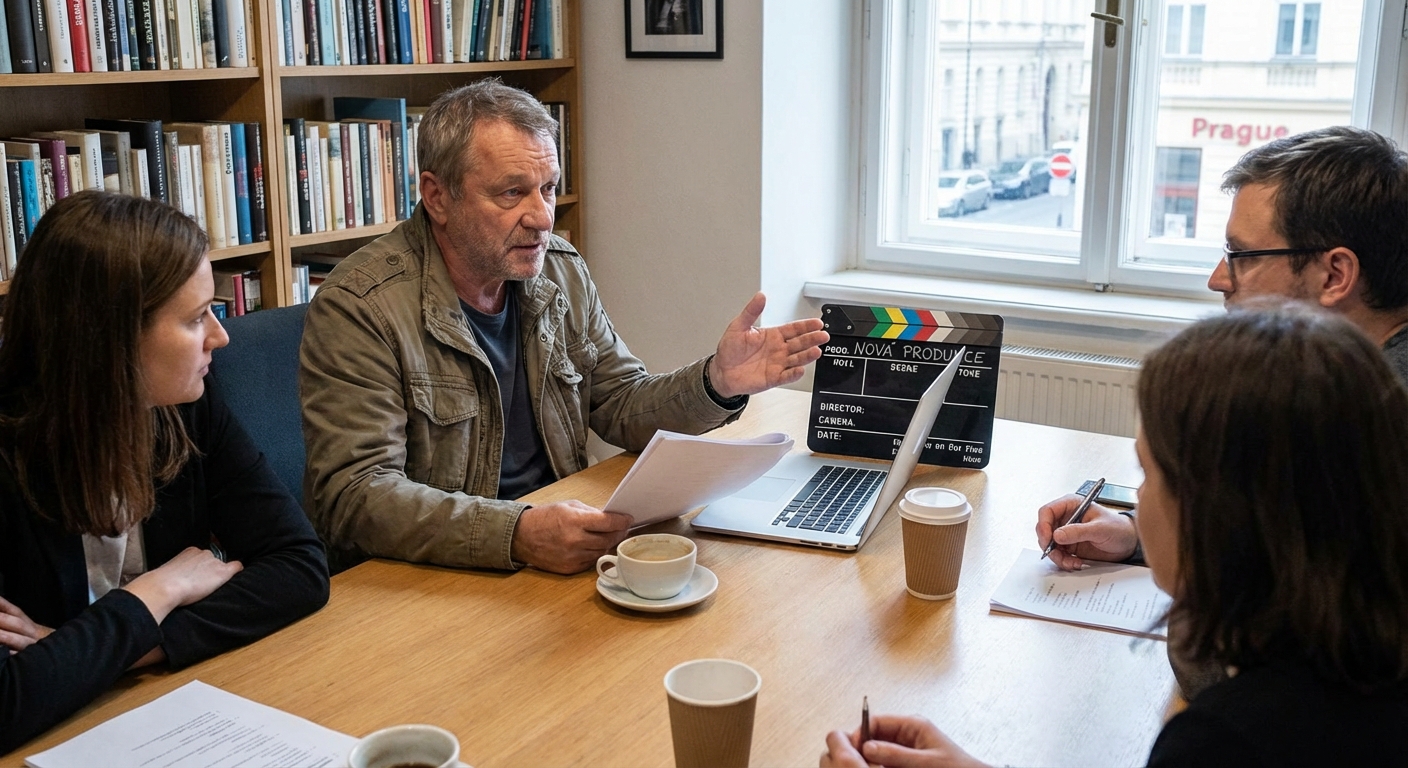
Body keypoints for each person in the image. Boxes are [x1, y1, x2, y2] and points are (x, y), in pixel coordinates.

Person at [821, 304, 1408, 767]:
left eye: (1148, 475)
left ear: (1222, 515)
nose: (1138, 501)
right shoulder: (1366, 662)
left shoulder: (1229, 739)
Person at [300, 80, 827, 576]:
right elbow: (353, 495)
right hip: (436, 573)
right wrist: (517, 532)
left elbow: (621, 403)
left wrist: (716, 381)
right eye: (512, 193)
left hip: (558, 551)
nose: (543, 217)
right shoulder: (360, 306)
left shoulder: (558, 268)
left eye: (548, 188)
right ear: (437, 197)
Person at [1041, 125, 1408, 695]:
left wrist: (1188, 569)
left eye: (1241, 256)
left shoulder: (1358, 431)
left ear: (1335, 275)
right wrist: (1141, 537)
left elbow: (1218, 665)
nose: (1218, 279)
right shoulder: (1350, 391)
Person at [0, 192, 330, 753]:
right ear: (108, 340)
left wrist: (101, 646)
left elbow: (300, 568)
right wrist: (161, 589)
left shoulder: (185, 406)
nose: (220, 337)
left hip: (162, 717)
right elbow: (7, 704)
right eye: (195, 317)